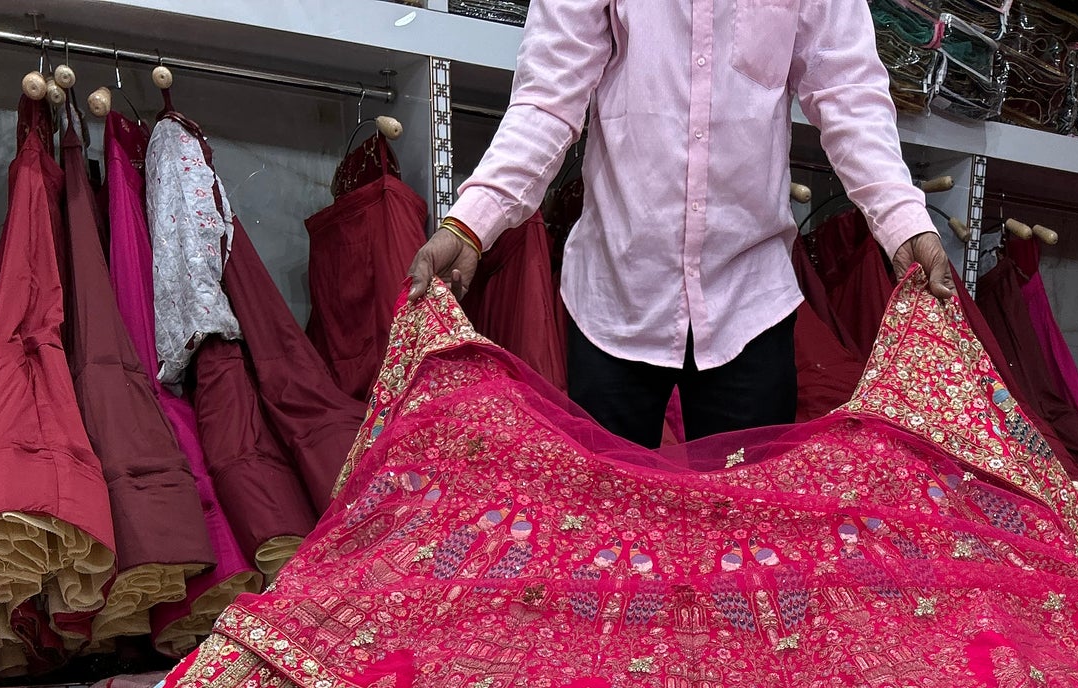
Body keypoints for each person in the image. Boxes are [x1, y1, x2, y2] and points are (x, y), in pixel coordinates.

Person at [408, 0, 953, 446]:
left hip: (750, 300)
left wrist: (904, 221)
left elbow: (848, 95)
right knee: (609, 541)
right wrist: (472, 221)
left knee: (745, 542)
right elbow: (548, 99)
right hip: (616, 295)